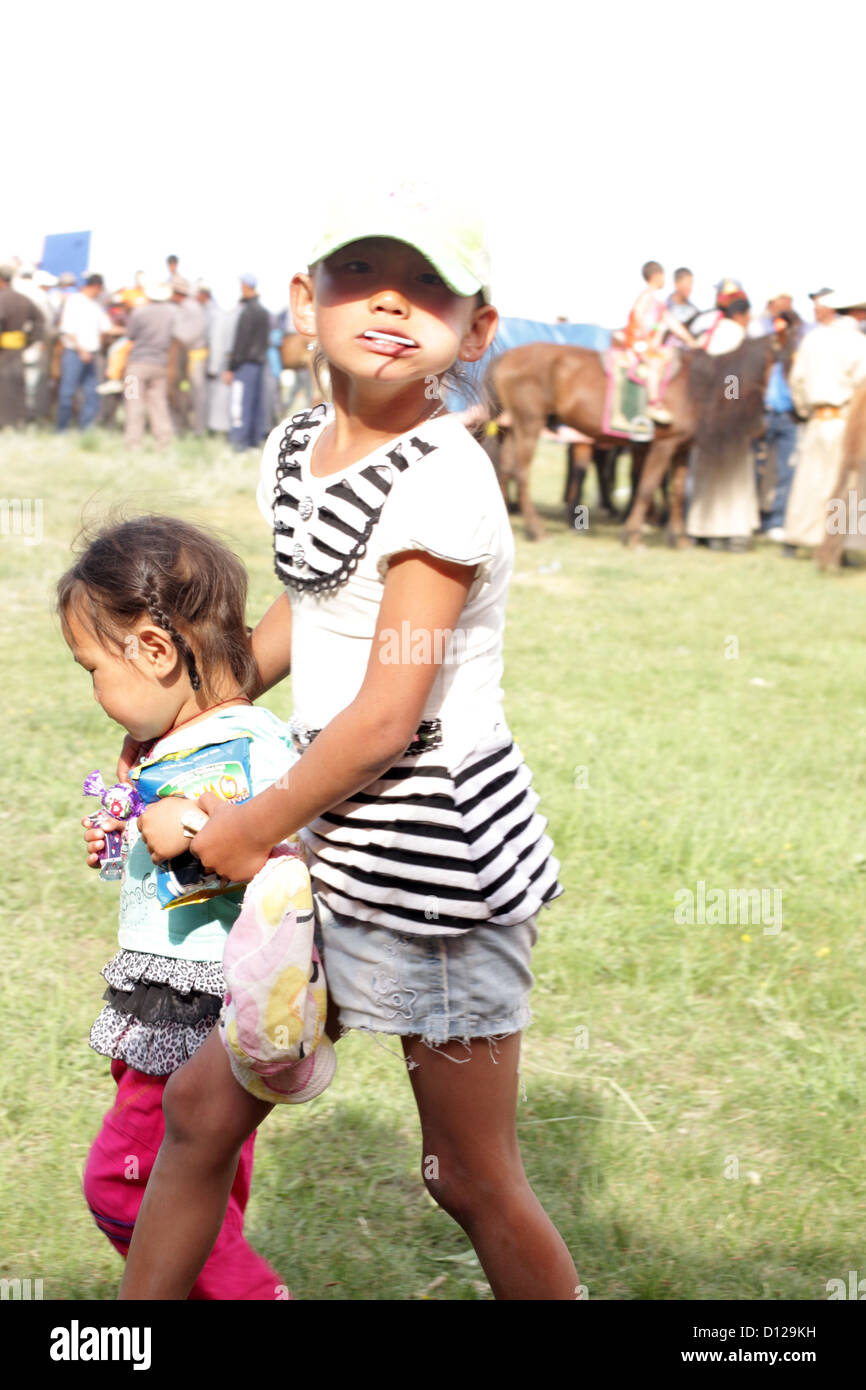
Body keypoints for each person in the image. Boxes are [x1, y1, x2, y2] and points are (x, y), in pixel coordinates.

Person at [113, 183, 576, 1301]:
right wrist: (200, 714)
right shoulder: (298, 446)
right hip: (321, 843)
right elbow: (304, 609)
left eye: (427, 287)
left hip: (432, 862)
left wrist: (245, 824)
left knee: (465, 1173)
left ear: (474, 334)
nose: (389, 303)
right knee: (198, 1109)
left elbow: (384, 711)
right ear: (302, 299)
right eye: (361, 275)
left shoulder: (442, 481)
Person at [60, 515, 306, 1299]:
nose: (95, 691)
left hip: (196, 1007)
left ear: (157, 652)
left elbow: (286, 862)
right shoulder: (179, 739)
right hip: (167, 996)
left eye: (93, 668)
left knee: (127, 1188)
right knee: (201, 1193)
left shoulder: (246, 742)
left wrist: (196, 826)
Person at [783, 287, 866, 555]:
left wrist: (806, 411)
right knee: (845, 483)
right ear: (858, 312)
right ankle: (835, 544)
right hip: (846, 419)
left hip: (817, 420)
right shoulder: (858, 343)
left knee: (809, 479)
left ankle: (797, 537)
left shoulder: (812, 339)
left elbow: (797, 380)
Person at [687, 294, 761, 549]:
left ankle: (703, 528)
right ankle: (730, 530)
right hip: (727, 415)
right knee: (731, 474)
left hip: (705, 412)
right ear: (741, 315)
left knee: (708, 472)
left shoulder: (711, 333)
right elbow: (732, 379)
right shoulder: (735, 336)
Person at [622, 261, 697, 424]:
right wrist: (648, 339)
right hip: (638, 343)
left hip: (647, 342)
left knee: (671, 354)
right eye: (663, 276)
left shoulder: (658, 303)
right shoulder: (646, 296)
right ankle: (653, 404)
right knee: (655, 363)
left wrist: (691, 341)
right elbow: (638, 317)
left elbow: (672, 323)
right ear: (656, 276)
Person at [57, 273, 116, 431]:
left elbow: (107, 327)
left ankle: (85, 427)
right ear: (96, 287)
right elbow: (68, 329)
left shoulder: (95, 305)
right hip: (74, 352)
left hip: (91, 353)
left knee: (92, 392)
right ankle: (62, 428)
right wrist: (81, 349)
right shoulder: (74, 301)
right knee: (68, 392)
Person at [124, 282, 177, 448]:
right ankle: (163, 441)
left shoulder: (139, 312)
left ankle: (133, 443)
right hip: (160, 365)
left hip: (137, 364)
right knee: (159, 404)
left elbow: (130, 336)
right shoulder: (172, 313)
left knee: (133, 403)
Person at [224, 273, 270, 450]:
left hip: (245, 365)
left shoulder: (247, 312)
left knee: (240, 404)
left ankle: (238, 442)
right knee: (256, 403)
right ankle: (253, 441)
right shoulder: (263, 312)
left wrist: (231, 367)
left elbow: (240, 342)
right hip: (259, 364)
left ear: (245, 286)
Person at [0, 263, 44, 427]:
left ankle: (4, 423)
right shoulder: (22, 298)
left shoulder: (3, 299)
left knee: (4, 387)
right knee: (17, 387)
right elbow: (40, 320)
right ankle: (18, 421)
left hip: (3, 351)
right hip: (17, 350)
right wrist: (28, 340)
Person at [664, 266, 697, 344]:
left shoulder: (693, 310)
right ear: (676, 284)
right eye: (687, 283)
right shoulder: (664, 307)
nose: (690, 287)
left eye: (691, 283)